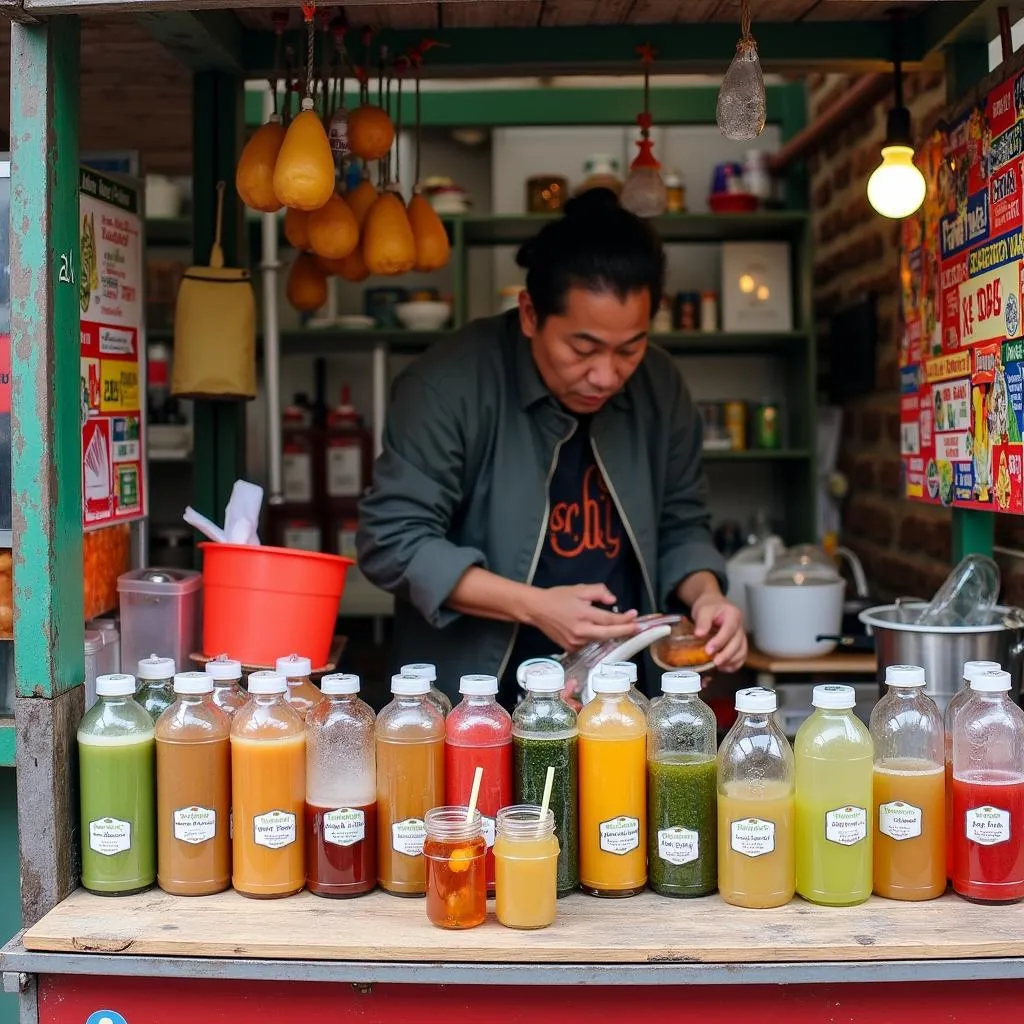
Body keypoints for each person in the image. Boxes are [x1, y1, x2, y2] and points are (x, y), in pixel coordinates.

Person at [357, 188, 746, 705]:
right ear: (529, 314)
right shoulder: (449, 384)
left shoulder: (660, 385)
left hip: (619, 692)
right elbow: (392, 540)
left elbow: (681, 522)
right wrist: (533, 605)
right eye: (582, 349)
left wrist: (708, 595)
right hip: (477, 693)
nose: (606, 375)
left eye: (630, 348)